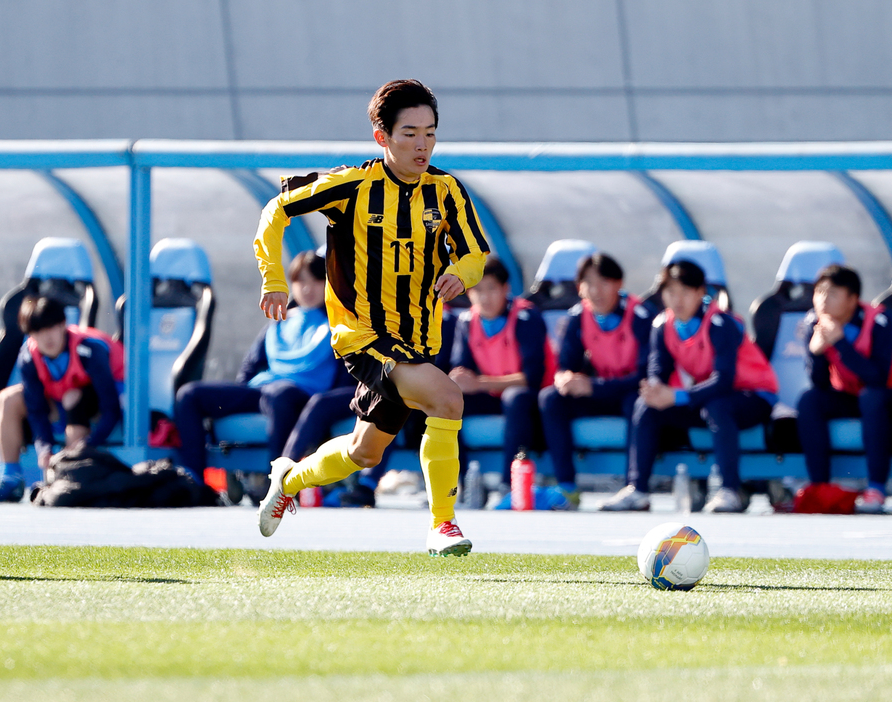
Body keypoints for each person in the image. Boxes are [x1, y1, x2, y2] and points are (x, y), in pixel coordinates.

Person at [254, 79, 489, 556]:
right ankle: (443, 525)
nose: (422, 143)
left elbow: (476, 253)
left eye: (430, 132)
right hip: (362, 336)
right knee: (447, 398)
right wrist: (274, 279)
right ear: (381, 137)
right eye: (409, 133)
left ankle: (289, 477)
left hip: (418, 339)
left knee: (366, 451)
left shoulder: (446, 191)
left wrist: (461, 274)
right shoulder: (351, 186)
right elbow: (275, 210)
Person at [601, 260, 778, 513]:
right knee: (645, 405)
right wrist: (654, 390)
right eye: (670, 292)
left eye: (685, 291)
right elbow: (657, 368)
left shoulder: (721, 324)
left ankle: (730, 490)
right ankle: (637, 489)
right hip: (709, 399)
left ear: (700, 293)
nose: (677, 299)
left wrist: (676, 396)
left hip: (755, 397)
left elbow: (724, 381)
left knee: (718, 407)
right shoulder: (662, 325)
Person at [174, 251, 340, 487]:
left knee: (278, 395)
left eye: (316, 281)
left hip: (299, 395)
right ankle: (193, 481)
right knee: (189, 394)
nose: (307, 288)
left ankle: (276, 485)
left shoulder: (338, 322)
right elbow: (249, 368)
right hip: (264, 391)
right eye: (300, 281)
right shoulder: (280, 321)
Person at [0, 295, 124, 502]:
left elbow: (111, 408)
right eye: (38, 331)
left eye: (51, 327)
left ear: (63, 325)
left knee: (73, 397)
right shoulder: (29, 357)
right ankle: (10, 478)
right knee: (9, 398)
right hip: (60, 401)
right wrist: (44, 448)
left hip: (98, 403)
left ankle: (72, 474)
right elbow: (35, 409)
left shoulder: (90, 350)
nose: (47, 337)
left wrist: (90, 445)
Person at [538, 252, 652, 508]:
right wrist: (564, 378)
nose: (596, 291)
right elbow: (565, 365)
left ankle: (636, 489)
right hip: (599, 393)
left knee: (639, 401)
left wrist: (593, 386)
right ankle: (566, 486)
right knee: (551, 398)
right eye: (589, 283)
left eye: (604, 282)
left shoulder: (642, 316)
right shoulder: (578, 317)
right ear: (580, 288)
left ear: (619, 284)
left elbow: (647, 376)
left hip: (628, 392)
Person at [796, 264, 892, 514]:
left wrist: (840, 343)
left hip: (888, 396)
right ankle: (820, 487)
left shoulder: (880, 320)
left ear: (852, 299)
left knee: (871, 397)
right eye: (818, 292)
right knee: (809, 400)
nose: (822, 300)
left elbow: (877, 377)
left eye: (831, 293)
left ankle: (876, 488)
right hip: (851, 396)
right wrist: (816, 353)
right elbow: (819, 383)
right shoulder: (814, 322)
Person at [449, 256, 551, 499]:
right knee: (446, 402)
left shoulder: (527, 318)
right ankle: (459, 483)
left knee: (515, 398)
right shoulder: (466, 321)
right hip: (489, 395)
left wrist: (479, 383)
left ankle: (508, 484)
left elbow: (531, 377)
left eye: (491, 288)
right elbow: (462, 371)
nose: (484, 297)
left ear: (506, 289)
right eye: (477, 290)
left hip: (529, 400)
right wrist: (456, 381)